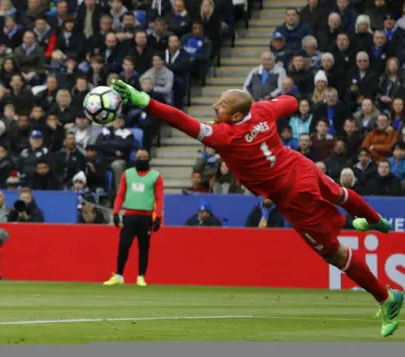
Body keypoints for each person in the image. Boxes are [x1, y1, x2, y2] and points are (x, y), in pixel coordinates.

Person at [112, 78, 403, 337]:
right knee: (338, 193)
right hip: (297, 164)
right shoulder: (262, 110)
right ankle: (376, 219)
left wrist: (143, 100)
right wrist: (277, 104)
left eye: (222, 104)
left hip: (290, 194)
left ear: (236, 114)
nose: (215, 105)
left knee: (333, 252)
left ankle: (387, 299)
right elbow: (289, 102)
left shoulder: (225, 135)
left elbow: (181, 120)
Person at [104, 149, 163, 287]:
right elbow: (121, 194)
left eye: (144, 157)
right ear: (134, 158)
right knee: (123, 245)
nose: (141, 159)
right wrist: (116, 212)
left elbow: (159, 198)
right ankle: (119, 275)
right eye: (139, 157)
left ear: (148, 159)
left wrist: (158, 216)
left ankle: (141, 276)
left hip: (146, 216)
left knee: (143, 247)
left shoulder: (155, 176)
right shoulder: (128, 174)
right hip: (129, 215)